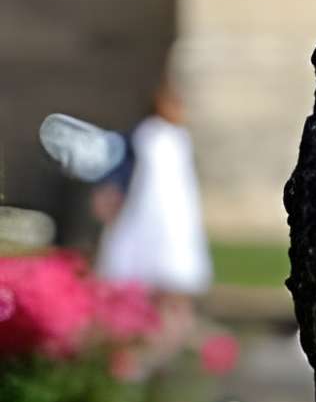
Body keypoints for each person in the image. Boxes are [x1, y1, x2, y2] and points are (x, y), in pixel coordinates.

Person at [41, 78, 212, 305]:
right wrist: (111, 197)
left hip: (174, 215)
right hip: (142, 209)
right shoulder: (144, 135)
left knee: (173, 269)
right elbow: (123, 169)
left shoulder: (180, 138)